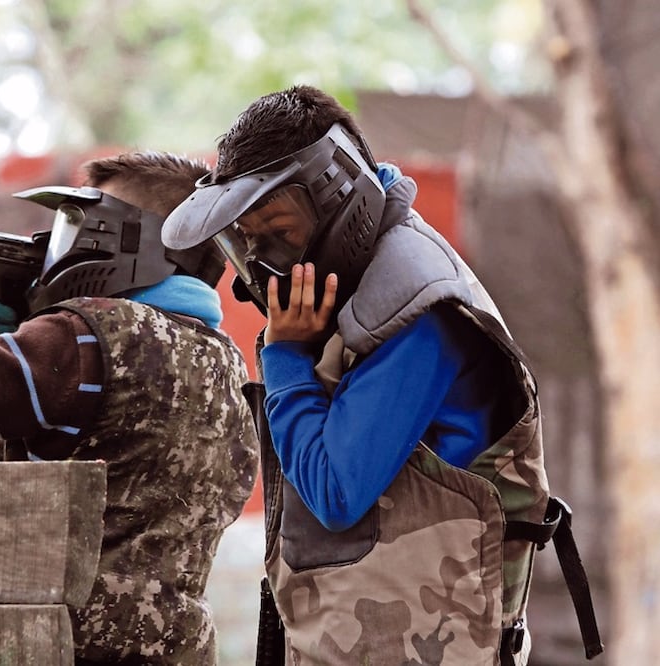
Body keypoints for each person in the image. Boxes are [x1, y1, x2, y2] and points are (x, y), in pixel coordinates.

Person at [163, 85, 601, 665]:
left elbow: (334, 492)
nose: (267, 265)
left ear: (341, 197)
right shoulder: (367, 291)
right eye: (251, 241)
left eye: (281, 232)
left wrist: (288, 357)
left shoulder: (416, 310)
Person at [0, 151, 260, 665]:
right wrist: (15, 334)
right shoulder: (225, 362)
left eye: (78, 226)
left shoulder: (87, 335)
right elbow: (101, 445)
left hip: (62, 646)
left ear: (125, 237)